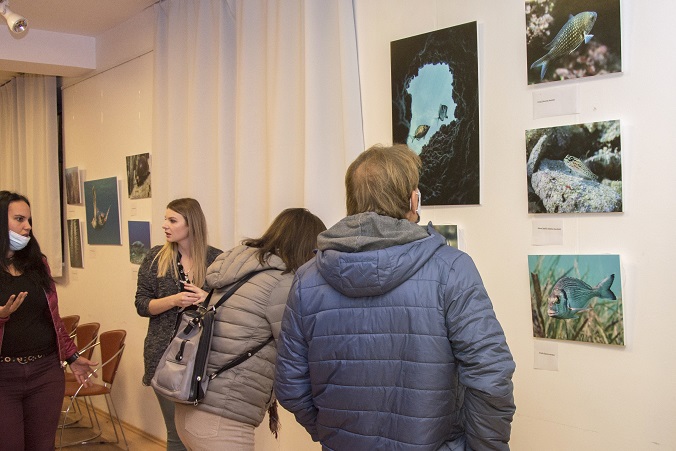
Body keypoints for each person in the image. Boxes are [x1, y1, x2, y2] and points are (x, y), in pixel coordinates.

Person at [275, 144, 516, 450]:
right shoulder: (451, 269)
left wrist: (333, 434)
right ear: (412, 199)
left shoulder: (306, 280)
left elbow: (291, 386)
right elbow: (491, 375)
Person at [174, 208, 327, 451]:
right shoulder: (282, 283)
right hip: (222, 418)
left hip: (192, 405)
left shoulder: (237, 270)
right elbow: (296, 349)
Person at [0, 190, 97, 451]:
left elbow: (53, 318)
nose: (27, 227)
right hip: (4, 376)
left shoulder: (37, 263)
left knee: (42, 446)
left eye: (29, 220)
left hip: (45, 372)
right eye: (19, 219)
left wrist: (72, 357)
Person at [135, 198, 223, 451]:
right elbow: (142, 305)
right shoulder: (155, 258)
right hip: (163, 357)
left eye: (172, 220)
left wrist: (205, 298)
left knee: (200, 435)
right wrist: (173, 300)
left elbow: (228, 306)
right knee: (176, 435)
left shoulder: (217, 259)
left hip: (202, 358)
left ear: (191, 224)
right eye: (165, 219)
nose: (165, 225)